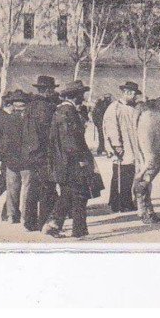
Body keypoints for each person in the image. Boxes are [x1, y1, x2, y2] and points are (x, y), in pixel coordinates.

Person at [42, 80, 95, 238]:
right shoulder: (68, 111)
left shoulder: (61, 110)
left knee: (68, 194)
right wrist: (80, 159)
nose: (83, 97)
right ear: (75, 95)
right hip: (71, 162)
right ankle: (79, 231)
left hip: (62, 161)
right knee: (80, 194)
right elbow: (69, 139)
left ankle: (53, 225)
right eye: (81, 94)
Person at [21, 75, 60, 230]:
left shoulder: (30, 106)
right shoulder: (46, 108)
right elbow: (47, 133)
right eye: (52, 89)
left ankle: (29, 222)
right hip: (43, 153)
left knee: (33, 188)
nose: (53, 92)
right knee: (47, 188)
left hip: (30, 153)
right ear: (47, 90)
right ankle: (44, 221)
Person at [0, 91, 29, 225]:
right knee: (25, 187)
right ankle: (24, 216)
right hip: (24, 159)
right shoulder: (27, 120)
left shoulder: (6, 119)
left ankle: (11, 215)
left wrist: (1, 155)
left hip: (10, 159)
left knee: (12, 187)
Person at [102, 81, 143, 213]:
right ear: (126, 92)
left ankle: (126, 201)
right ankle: (118, 203)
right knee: (120, 175)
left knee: (129, 175)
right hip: (122, 147)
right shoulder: (115, 107)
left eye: (135, 94)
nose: (134, 96)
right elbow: (111, 128)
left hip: (133, 145)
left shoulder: (134, 108)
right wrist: (117, 145)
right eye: (132, 94)